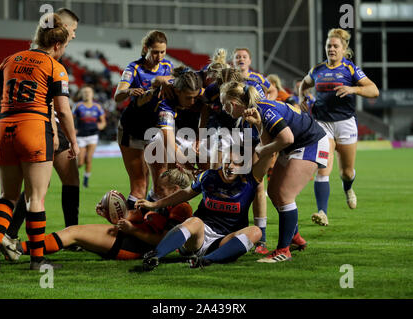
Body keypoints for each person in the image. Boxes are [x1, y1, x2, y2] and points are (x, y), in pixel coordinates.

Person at [0, 13, 79, 271]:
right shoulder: (54, 67)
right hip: (34, 128)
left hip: (5, 128)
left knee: (7, 195)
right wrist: (73, 140)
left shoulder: (9, 60)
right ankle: (37, 261)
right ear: (57, 45)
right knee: (35, 198)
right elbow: (63, 111)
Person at [219, 81, 328, 263]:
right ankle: (294, 238)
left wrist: (261, 151)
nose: (223, 108)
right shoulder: (255, 112)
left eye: (224, 103)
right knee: (276, 193)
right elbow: (269, 140)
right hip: (296, 145)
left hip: (310, 142)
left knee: (284, 195)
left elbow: (287, 138)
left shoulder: (262, 108)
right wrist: (259, 127)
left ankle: (283, 250)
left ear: (234, 103)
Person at [0, 169, 194, 262]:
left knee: (73, 233)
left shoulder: (182, 209)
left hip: (136, 248)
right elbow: (131, 221)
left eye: (161, 188)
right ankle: (17, 248)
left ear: (175, 189)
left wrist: (132, 230)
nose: (156, 191)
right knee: (73, 233)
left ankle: (17, 248)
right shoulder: (157, 202)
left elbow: (162, 241)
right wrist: (109, 215)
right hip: (129, 239)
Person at [136, 144, 276, 271]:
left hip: (225, 241)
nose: (231, 166)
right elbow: (185, 194)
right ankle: (155, 256)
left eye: (237, 163)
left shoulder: (250, 181)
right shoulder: (209, 176)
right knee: (195, 221)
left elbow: (269, 153)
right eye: (228, 161)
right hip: (198, 237)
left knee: (256, 232)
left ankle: (205, 260)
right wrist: (154, 204)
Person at [299, 28, 379, 226]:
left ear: (344, 49)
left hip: (345, 123)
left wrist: (353, 88)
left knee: (346, 172)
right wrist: (302, 97)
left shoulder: (350, 69)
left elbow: (374, 90)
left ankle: (348, 187)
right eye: (328, 46)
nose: (331, 49)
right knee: (323, 169)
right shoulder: (317, 70)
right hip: (322, 124)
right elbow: (304, 83)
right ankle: (322, 213)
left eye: (335, 46)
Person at [117, 66, 204, 210]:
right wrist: (190, 167)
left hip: (152, 131)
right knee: (140, 185)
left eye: (195, 97)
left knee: (162, 184)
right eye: (189, 98)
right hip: (131, 132)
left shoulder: (184, 83)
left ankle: (152, 216)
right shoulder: (164, 105)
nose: (193, 102)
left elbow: (158, 79)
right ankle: (128, 224)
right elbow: (169, 142)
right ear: (177, 92)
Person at [203, 66, 270, 254]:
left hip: (252, 135)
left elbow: (264, 118)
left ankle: (261, 237)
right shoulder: (212, 91)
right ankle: (213, 225)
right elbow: (205, 109)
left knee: (257, 184)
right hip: (225, 134)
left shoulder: (253, 93)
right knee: (215, 175)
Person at [114, 30, 173, 103]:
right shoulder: (133, 68)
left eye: (162, 52)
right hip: (137, 112)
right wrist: (129, 91)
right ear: (146, 49)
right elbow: (117, 97)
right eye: (155, 52)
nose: (159, 57)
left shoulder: (168, 66)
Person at [73, 85, 107, 187]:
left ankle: (85, 180)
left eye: (89, 92)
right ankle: (73, 174)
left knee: (89, 159)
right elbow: (70, 118)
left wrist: (101, 126)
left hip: (93, 135)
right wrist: (72, 130)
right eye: (85, 92)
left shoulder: (97, 107)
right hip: (81, 136)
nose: (87, 94)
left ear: (92, 94)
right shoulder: (78, 105)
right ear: (81, 94)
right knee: (80, 162)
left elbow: (103, 122)